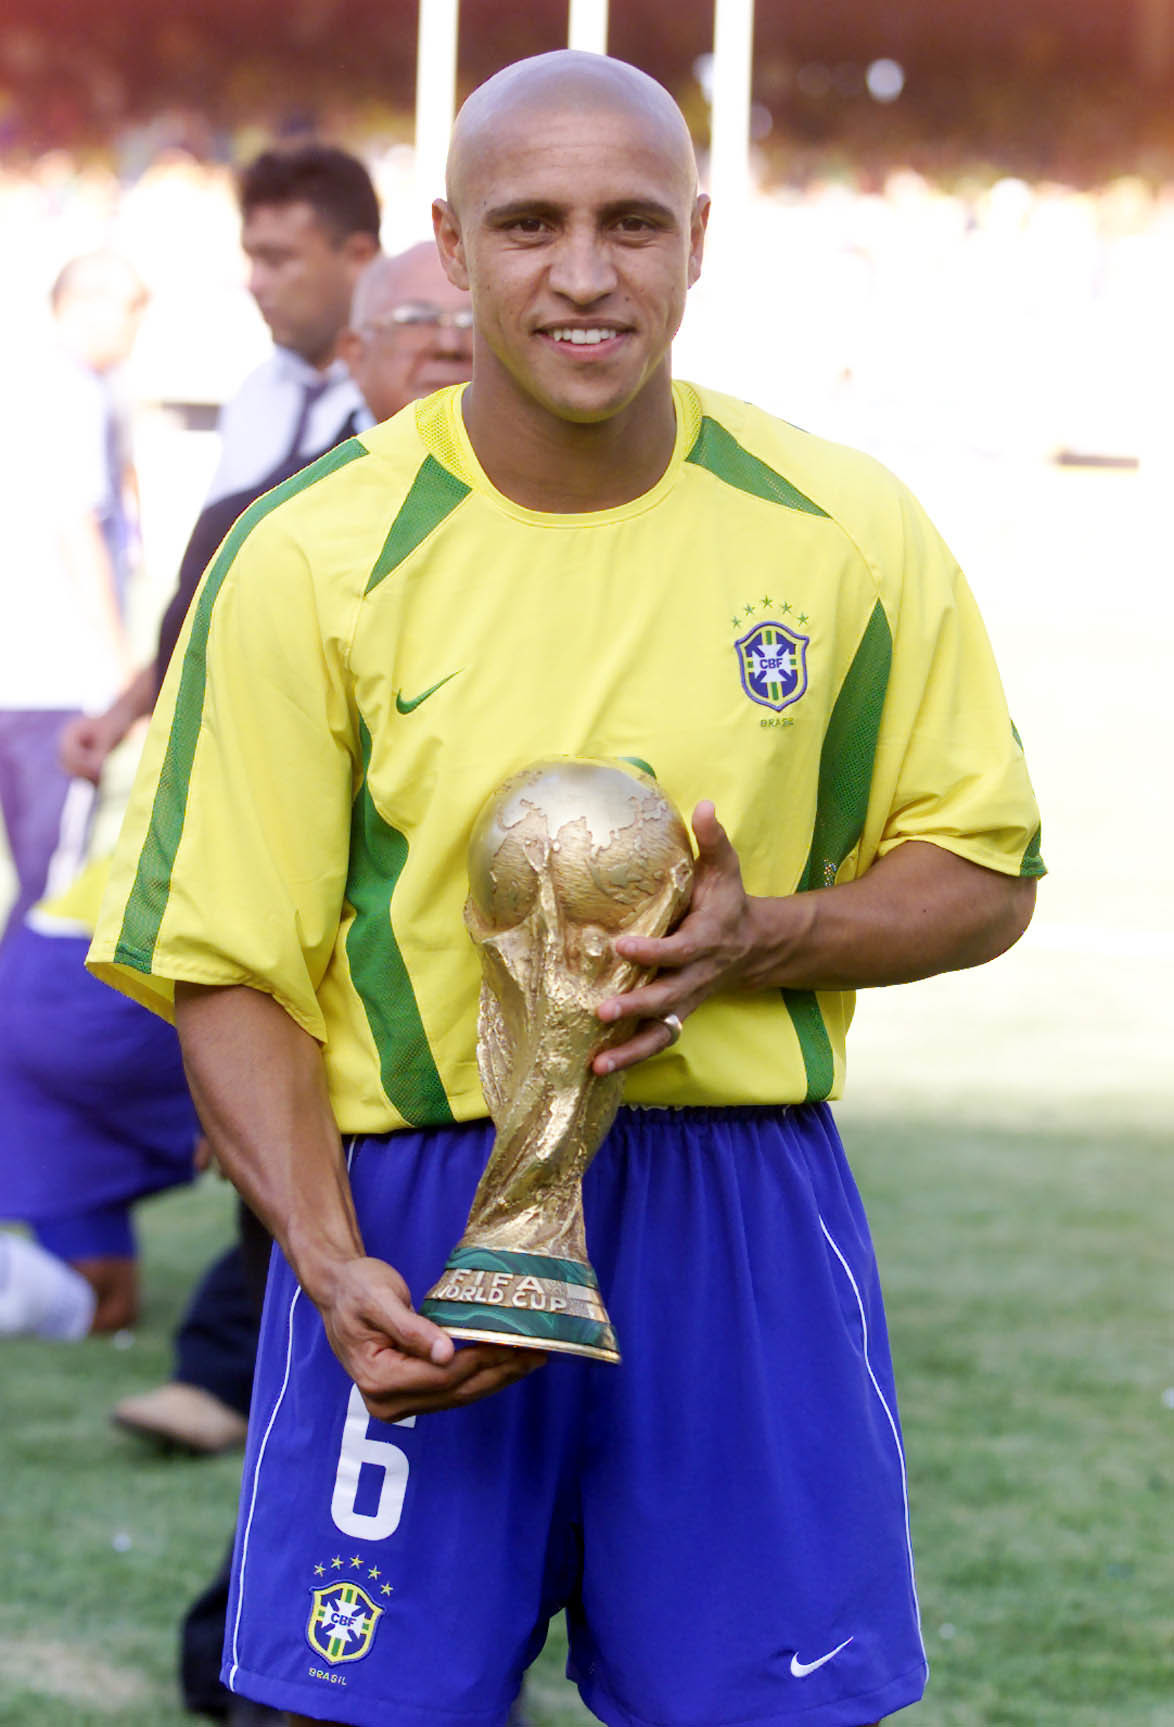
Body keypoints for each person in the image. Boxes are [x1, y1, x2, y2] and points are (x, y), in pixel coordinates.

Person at [90, 52, 1043, 1727]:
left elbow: (977, 870)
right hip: (411, 1200)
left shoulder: (842, 530)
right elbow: (225, 964)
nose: (583, 273)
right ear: (452, 246)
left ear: (696, 239)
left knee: (765, 1711)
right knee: (341, 1708)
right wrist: (322, 1260)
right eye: (528, 226)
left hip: (732, 1198)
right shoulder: (312, 552)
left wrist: (767, 939)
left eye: (629, 224)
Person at [109, 237, 473, 1462]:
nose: (451, 340)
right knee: (344, 1380)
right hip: (315, 1035)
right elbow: (196, 797)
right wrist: (220, 1056)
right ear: (355, 356)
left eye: (461, 316)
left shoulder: (568, 528)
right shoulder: (264, 530)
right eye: (416, 318)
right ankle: (234, 1632)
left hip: (485, 1066)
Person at [61, 141, 382, 787]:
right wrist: (126, 710)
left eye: (278, 258)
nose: (255, 282)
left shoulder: (416, 404)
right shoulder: (260, 391)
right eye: (251, 257)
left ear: (358, 259)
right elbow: (210, 583)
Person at [0, 250, 145, 952]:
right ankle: (18, 1050)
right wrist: (122, 675)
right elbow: (76, 527)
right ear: (82, 306)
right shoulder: (72, 390)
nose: (138, 326)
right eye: (131, 307)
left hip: (20, 674)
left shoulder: (24, 379)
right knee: (50, 892)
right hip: (54, 680)